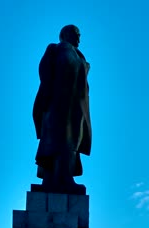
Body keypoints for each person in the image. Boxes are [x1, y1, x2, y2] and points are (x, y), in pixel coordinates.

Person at [32, 25, 92, 194]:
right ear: (65, 34)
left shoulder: (79, 55)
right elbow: (45, 75)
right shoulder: (55, 49)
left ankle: (65, 177)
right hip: (58, 104)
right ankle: (55, 179)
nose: (79, 39)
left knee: (73, 142)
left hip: (76, 107)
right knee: (57, 140)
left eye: (80, 35)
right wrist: (44, 102)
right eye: (76, 34)